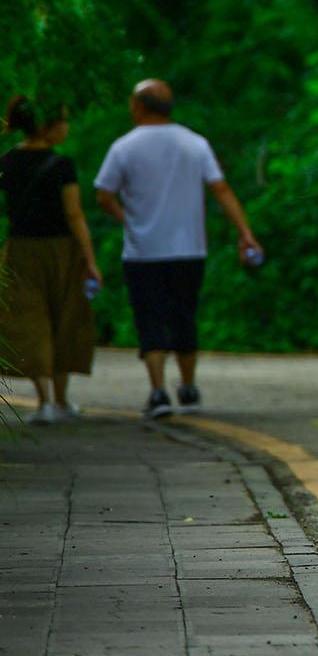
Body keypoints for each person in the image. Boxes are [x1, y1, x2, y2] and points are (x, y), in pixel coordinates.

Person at [93, 80, 262, 419]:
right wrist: (245, 233)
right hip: (189, 249)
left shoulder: (124, 148)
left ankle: (158, 392)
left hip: (143, 251)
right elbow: (221, 189)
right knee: (184, 314)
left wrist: (127, 218)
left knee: (149, 318)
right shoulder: (195, 143)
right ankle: (188, 386)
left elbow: (103, 195)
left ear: (139, 106)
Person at [0, 97, 102, 425]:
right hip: (61, 250)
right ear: (46, 127)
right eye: (63, 121)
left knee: (30, 320)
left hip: (20, 250)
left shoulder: (7, 161)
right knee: (65, 317)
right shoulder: (61, 165)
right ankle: (61, 399)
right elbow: (74, 214)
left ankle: (44, 401)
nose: (66, 128)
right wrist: (89, 259)